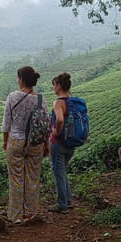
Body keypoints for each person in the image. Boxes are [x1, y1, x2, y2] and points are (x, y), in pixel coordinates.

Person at [1, 66, 47, 224]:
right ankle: (31, 213)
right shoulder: (41, 99)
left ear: (21, 79)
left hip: (16, 141)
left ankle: (15, 216)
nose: (17, 80)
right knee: (33, 178)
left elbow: (6, 123)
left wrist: (5, 142)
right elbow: (44, 124)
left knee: (16, 179)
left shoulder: (13, 97)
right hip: (36, 143)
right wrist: (45, 145)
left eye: (18, 77)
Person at [48, 72, 75, 214]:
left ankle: (62, 204)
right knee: (62, 171)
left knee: (58, 173)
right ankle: (68, 200)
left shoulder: (59, 102)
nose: (53, 88)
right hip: (71, 142)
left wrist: (56, 132)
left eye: (54, 85)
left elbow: (59, 120)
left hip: (59, 143)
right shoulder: (74, 101)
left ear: (58, 86)